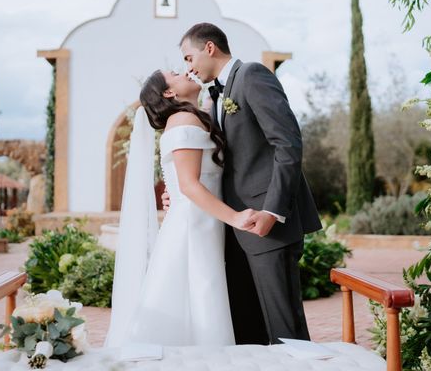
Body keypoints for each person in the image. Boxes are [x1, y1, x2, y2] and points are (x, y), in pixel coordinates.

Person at [165, 22, 323, 345]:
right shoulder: (213, 99)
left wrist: (272, 211)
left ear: (209, 48)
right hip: (235, 230)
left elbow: (288, 145)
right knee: (248, 331)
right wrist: (177, 192)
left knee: (285, 332)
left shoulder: (251, 75)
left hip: (268, 228)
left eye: (188, 57)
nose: (188, 67)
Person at [105, 69, 262, 347]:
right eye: (176, 74)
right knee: (199, 295)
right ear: (169, 93)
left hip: (200, 220)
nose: (186, 71)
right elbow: (189, 186)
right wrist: (236, 218)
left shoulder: (195, 116)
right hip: (194, 226)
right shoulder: (182, 120)